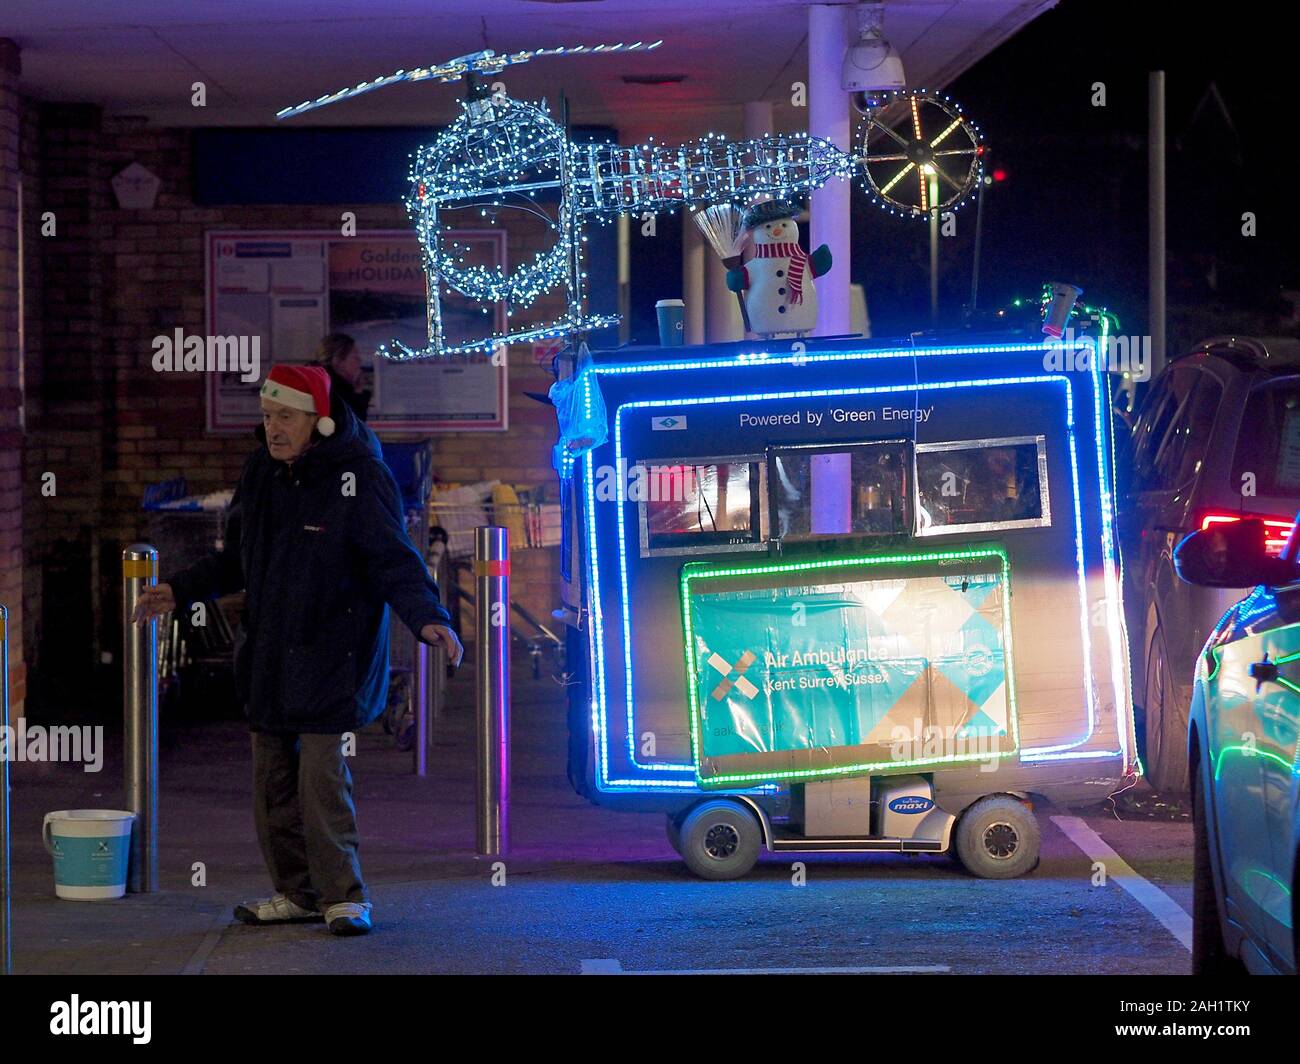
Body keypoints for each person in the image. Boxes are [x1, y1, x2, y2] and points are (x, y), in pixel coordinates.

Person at [132, 364, 462, 936]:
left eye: (285, 416)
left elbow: (393, 559)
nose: (273, 428)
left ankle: (344, 896)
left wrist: (430, 617)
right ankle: (296, 892)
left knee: (321, 783)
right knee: (272, 786)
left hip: (334, 655)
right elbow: (237, 556)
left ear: (321, 420)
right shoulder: (262, 469)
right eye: (266, 416)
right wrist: (179, 589)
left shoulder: (359, 476)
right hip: (268, 654)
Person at [315, 333, 371, 422]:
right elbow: (353, 428)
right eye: (355, 357)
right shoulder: (337, 394)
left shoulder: (322, 383)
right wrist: (358, 394)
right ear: (338, 361)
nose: (360, 361)